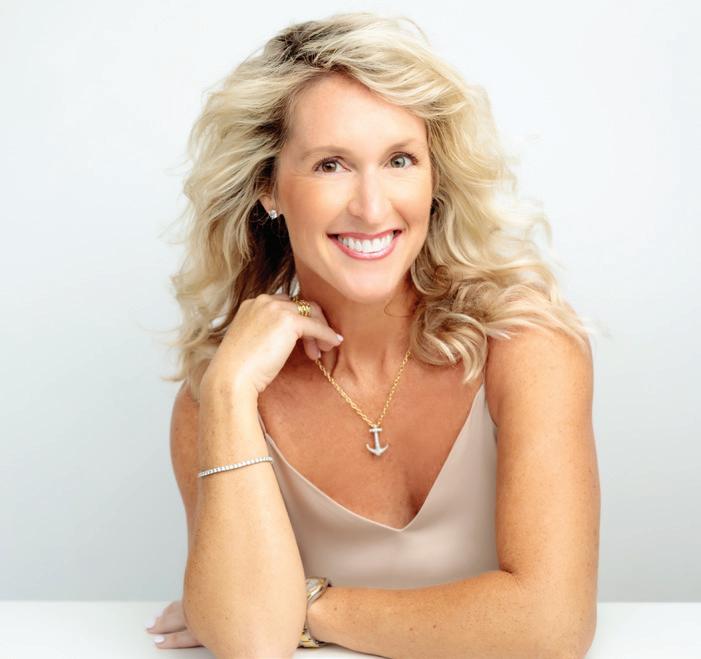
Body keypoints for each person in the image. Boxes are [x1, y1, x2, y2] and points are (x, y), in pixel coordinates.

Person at [147, 11, 601, 657]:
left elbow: (550, 628)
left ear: (434, 178)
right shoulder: (218, 396)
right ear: (268, 187)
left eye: (399, 160)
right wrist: (226, 391)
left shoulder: (525, 346)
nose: (371, 206)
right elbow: (250, 640)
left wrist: (304, 603)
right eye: (331, 164)